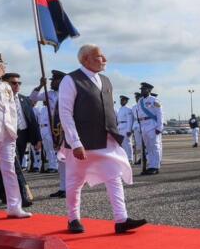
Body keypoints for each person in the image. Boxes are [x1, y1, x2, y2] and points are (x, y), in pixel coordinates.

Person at [57, 44, 145, 234]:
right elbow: (65, 113)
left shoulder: (105, 80)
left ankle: (121, 219)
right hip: (82, 142)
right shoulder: (70, 80)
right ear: (86, 59)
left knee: (114, 177)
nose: (104, 59)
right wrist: (75, 142)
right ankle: (73, 218)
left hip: (106, 140)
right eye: (99, 57)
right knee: (75, 181)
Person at [0, 55, 31, 218]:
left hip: (7, 133)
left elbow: (11, 110)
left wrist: (13, 131)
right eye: (1, 65)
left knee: (9, 170)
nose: (4, 68)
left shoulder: (5, 86)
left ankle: (14, 206)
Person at [0, 70, 38, 209]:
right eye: (13, 83)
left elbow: (31, 120)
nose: (17, 85)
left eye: (19, 83)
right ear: (5, 83)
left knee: (7, 166)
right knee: (14, 166)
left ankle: (2, 193)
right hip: (6, 135)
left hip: (23, 135)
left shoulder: (24, 100)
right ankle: (22, 195)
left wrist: (37, 139)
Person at [137, 82, 164, 175]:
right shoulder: (140, 101)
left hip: (152, 125)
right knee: (148, 148)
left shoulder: (154, 100)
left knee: (154, 146)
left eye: (144, 89)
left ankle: (155, 167)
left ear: (149, 90)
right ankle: (151, 165)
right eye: (141, 89)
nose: (142, 91)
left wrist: (159, 127)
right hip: (143, 125)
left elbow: (160, 114)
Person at [116, 95, 136, 163]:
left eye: (123, 100)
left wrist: (129, 130)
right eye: (121, 100)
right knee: (122, 144)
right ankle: (125, 157)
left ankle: (130, 158)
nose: (121, 102)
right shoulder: (120, 109)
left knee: (127, 143)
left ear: (126, 101)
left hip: (126, 126)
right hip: (120, 127)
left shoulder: (128, 110)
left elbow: (130, 120)